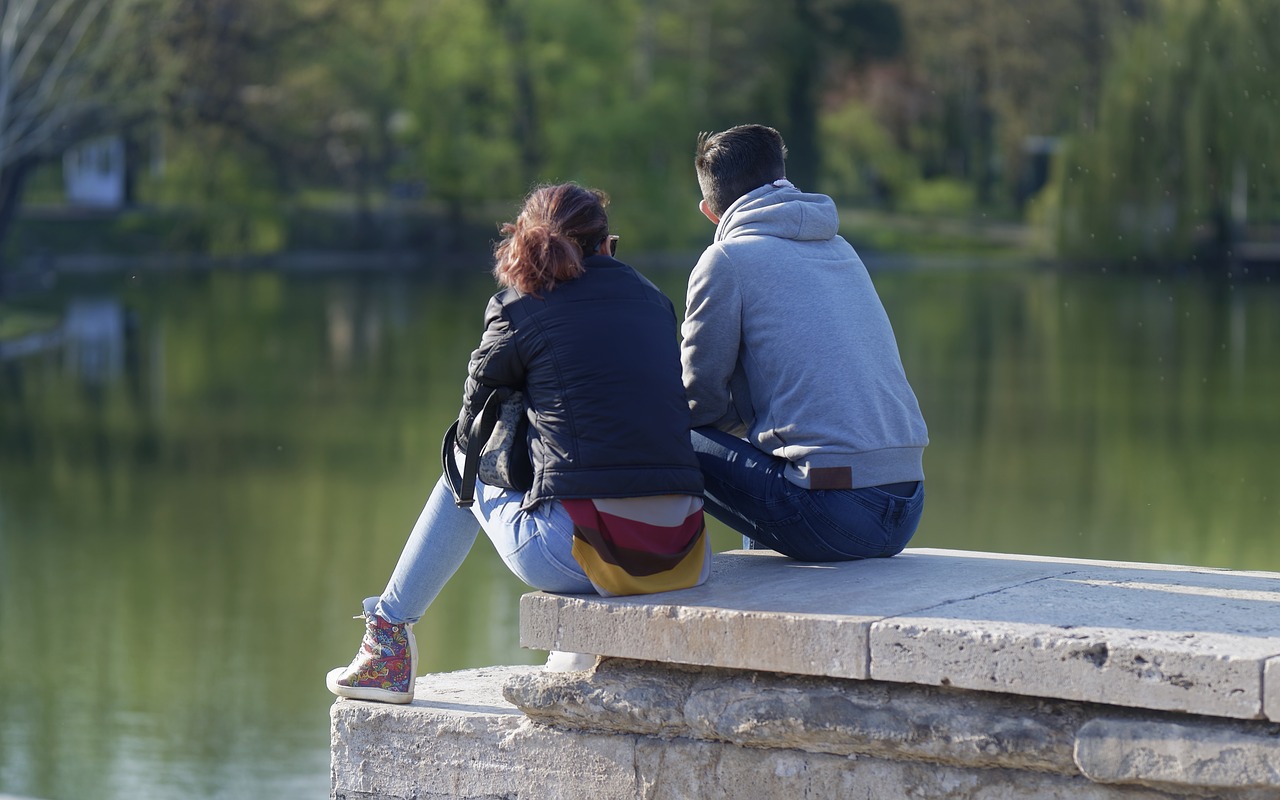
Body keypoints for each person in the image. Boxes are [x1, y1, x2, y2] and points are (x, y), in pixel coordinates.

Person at [327, 183, 709, 704]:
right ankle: (576, 649)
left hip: (584, 557)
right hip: (683, 551)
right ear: (607, 246)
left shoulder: (519, 308)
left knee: (463, 461)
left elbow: (469, 429)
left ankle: (387, 642)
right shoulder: (654, 300)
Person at [681, 124, 928, 562]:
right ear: (783, 179)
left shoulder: (725, 260)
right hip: (908, 507)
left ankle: (645, 558)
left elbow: (698, 402)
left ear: (709, 212)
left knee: (665, 431)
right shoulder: (841, 248)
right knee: (780, 449)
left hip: (833, 513)